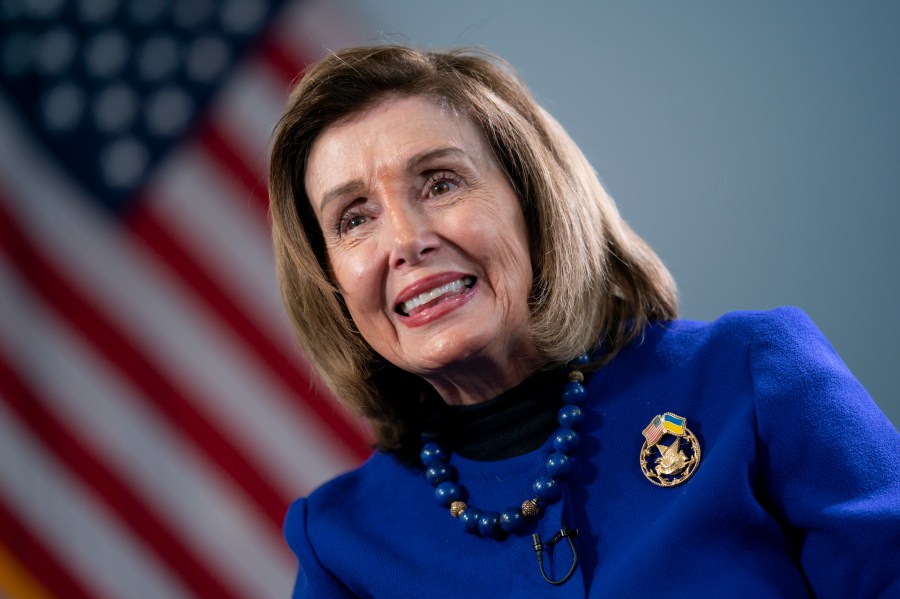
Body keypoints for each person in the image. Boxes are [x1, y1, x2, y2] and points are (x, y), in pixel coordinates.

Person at [268, 45, 900, 597]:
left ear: (534, 205)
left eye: (440, 184)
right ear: (331, 284)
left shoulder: (751, 375)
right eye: (354, 218)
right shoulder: (341, 547)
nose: (405, 240)